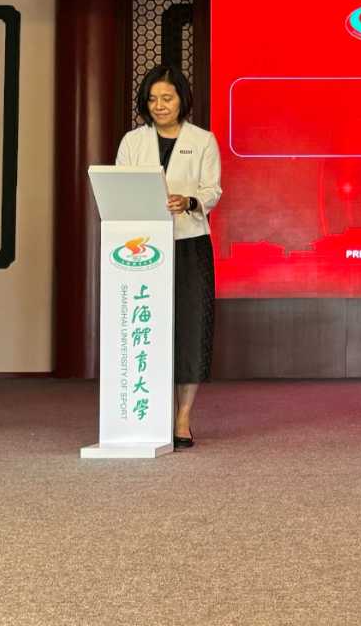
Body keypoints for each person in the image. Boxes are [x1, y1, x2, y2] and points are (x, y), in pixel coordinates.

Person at [114, 65, 222, 449]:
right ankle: (145, 413)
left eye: (167, 98)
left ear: (182, 101)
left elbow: (212, 190)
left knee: (191, 328)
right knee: (147, 326)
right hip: (142, 244)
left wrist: (189, 201)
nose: (159, 105)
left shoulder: (203, 140)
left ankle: (183, 417)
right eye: (152, 99)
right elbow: (120, 186)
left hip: (189, 241)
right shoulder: (132, 141)